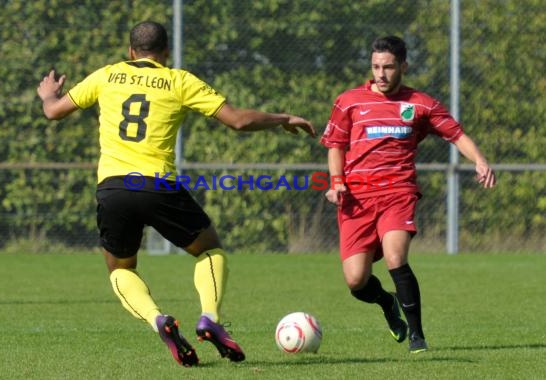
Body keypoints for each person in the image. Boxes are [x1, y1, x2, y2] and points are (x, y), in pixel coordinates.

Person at [37, 20, 315, 367]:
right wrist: (282, 117)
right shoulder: (178, 80)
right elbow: (238, 120)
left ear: (130, 51)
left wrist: (48, 93)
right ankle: (209, 318)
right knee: (210, 249)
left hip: (114, 188)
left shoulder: (106, 75)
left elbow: (53, 111)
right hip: (158, 186)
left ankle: (158, 320)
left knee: (120, 269)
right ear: (166, 53)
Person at [321, 35, 496, 353]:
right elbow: (336, 145)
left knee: (395, 256)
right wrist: (336, 182)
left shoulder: (421, 104)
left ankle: (418, 337)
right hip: (355, 198)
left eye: (388, 67)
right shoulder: (349, 101)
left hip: (398, 192)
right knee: (355, 280)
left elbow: (456, 135)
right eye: (375, 67)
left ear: (403, 66)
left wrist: (480, 160)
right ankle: (388, 304)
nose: (381, 74)